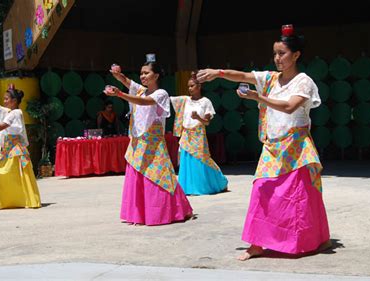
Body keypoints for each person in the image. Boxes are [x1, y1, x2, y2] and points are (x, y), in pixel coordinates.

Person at [197, 24, 330, 260]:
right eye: (275, 54)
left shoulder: (304, 82)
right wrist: (217, 72)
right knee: (262, 190)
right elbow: (243, 76)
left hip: (296, 147)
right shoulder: (270, 78)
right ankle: (258, 244)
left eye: (282, 53)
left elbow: (290, 107)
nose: (277, 58)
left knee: (299, 196)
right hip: (272, 146)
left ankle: (307, 240)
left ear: (296, 55)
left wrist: (258, 97)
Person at [106, 60, 193, 226]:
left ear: (157, 75)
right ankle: (139, 214)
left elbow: (145, 102)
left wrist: (120, 95)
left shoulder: (161, 94)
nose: (143, 76)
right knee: (137, 174)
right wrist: (118, 76)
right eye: (141, 73)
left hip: (153, 144)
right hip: (138, 141)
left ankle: (166, 212)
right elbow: (127, 82)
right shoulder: (140, 91)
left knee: (158, 176)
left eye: (146, 73)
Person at [170, 72, 228, 195]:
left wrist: (198, 118)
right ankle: (187, 188)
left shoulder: (205, 102)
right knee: (187, 161)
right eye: (188, 86)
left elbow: (207, 122)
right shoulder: (185, 100)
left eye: (192, 86)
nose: (189, 89)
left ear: (199, 86)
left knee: (202, 160)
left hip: (199, 134)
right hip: (186, 135)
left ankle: (207, 185)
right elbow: (167, 98)